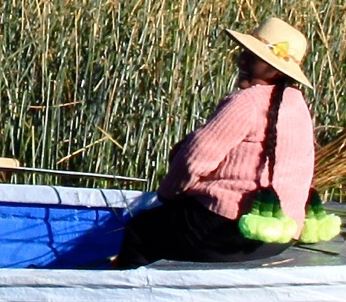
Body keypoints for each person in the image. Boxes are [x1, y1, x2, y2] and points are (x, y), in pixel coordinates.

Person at [115, 17, 316, 269]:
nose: (241, 61)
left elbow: (192, 160)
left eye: (252, 57)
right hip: (281, 234)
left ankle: (125, 300)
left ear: (275, 69)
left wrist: (167, 195)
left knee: (141, 229)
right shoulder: (297, 103)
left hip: (233, 230)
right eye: (244, 53)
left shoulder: (246, 102)